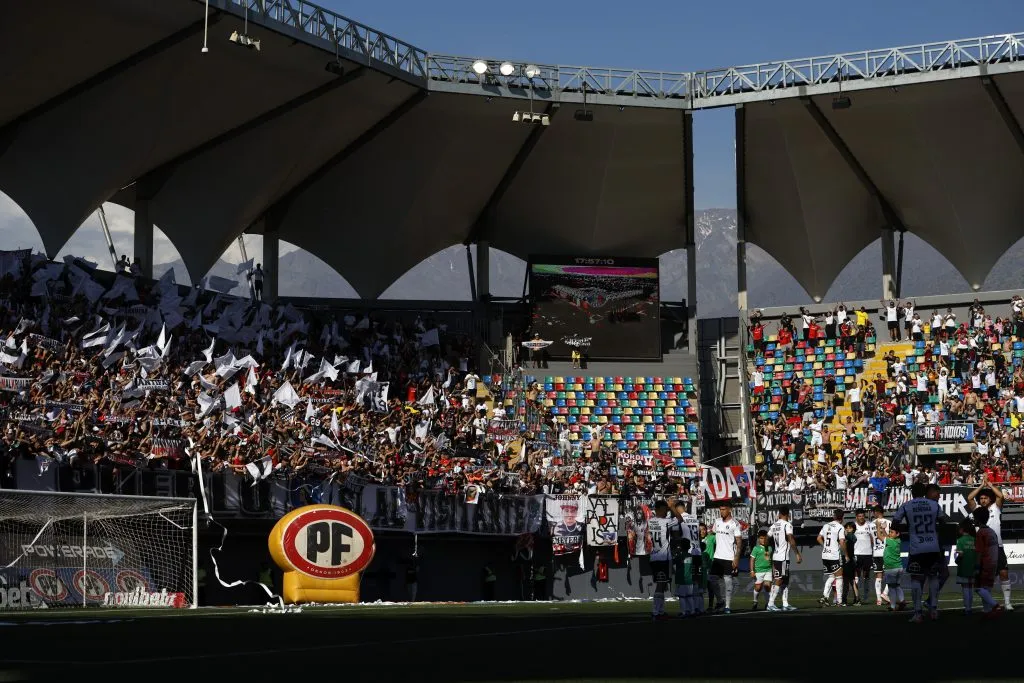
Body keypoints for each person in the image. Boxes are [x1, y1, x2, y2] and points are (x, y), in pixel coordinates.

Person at [892, 481, 950, 623]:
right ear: (924, 492)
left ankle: (918, 613)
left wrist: (910, 529)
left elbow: (894, 523)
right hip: (933, 546)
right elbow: (944, 522)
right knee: (934, 577)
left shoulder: (906, 505)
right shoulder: (934, 505)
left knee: (916, 579)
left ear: (912, 493)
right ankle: (934, 610)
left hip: (917, 547)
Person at [966, 476, 1013, 611]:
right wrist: (981, 485)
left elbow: (1000, 496)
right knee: (984, 577)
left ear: (990, 499)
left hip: (997, 546)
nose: (983, 500)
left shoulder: (995, 507)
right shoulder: (977, 510)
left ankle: (1008, 603)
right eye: (981, 498)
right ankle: (986, 606)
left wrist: (990, 484)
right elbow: (969, 498)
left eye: (985, 498)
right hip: (983, 548)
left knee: (1004, 573)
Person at [647, 498, 684, 620]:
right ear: (658, 509)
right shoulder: (666, 522)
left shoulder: (650, 521)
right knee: (661, 585)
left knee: (661, 585)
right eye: (664, 509)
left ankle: (660, 611)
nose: (665, 511)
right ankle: (656, 612)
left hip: (653, 557)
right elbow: (680, 519)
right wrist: (673, 506)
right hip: (664, 558)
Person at [767, 507, 801, 612]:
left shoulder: (773, 526)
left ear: (779, 514)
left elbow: (768, 537)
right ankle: (770, 603)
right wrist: (797, 554)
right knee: (779, 579)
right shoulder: (787, 525)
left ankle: (785, 603)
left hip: (777, 555)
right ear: (788, 515)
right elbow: (790, 538)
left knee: (785, 579)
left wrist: (768, 550)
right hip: (782, 557)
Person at [710, 504, 742, 614]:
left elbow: (739, 542)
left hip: (729, 557)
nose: (721, 511)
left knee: (728, 581)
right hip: (717, 556)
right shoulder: (717, 521)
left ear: (730, 510)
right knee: (712, 579)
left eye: (723, 509)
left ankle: (727, 606)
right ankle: (720, 600)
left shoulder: (735, 524)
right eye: (720, 509)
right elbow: (712, 533)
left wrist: (736, 558)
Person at [973, 506, 1002, 619]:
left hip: (985, 563)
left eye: (974, 518)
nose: (974, 520)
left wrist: (976, 566)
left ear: (978, 519)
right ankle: (987, 611)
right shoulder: (991, 532)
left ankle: (995, 606)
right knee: (987, 588)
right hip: (993, 563)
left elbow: (979, 552)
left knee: (978, 588)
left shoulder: (981, 533)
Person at [817, 508, 847, 607]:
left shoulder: (826, 525)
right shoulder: (840, 527)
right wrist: (846, 554)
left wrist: (825, 546)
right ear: (842, 517)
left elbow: (818, 538)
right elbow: (842, 542)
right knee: (839, 577)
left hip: (825, 554)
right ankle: (839, 601)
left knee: (831, 576)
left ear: (834, 516)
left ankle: (824, 597)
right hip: (834, 555)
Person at [852, 509, 875, 606]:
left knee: (866, 575)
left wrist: (874, 549)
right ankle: (857, 597)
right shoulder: (852, 526)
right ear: (856, 517)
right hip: (856, 554)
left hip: (868, 553)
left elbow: (872, 538)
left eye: (863, 516)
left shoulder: (869, 524)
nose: (862, 518)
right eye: (860, 516)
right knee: (856, 575)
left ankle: (866, 595)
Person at [954, 519, 977, 615]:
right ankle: (970, 607)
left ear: (962, 529)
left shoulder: (960, 540)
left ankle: (967, 609)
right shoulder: (974, 539)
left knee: (965, 588)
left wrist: (957, 560)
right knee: (970, 587)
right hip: (973, 568)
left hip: (964, 568)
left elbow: (961, 554)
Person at [871, 505, 892, 606]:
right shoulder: (888, 522)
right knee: (891, 574)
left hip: (876, 552)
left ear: (876, 512)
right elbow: (890, 537)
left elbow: (871, 539)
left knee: (878, 576)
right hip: (886, 551)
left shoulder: (871, 524)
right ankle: (885, 593)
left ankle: (879, 599)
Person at [882, 526, 906, 611]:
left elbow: (880, 536)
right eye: (890, 532)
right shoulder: (898, 541)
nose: (890, 534)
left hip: (891, 568)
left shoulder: (890, 541)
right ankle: (902, 601)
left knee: (891, 587)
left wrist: (880, 527)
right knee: (897, 586)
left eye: (892, 532)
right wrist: (885, 530)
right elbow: (887, 537)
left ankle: (892, 606)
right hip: (899, 567)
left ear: (897, 534)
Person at [674, 538, 698, 618]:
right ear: (688, 547)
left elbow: (674, 562)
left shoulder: (679, 556)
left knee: (682, 597)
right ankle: (692, 611)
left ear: (680, 546)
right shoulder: (691, 556)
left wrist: (676, 553)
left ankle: (683, 612)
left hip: (681, 579)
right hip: (689, 579)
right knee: (689, 596)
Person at [749, 529, 772, 610]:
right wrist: (752, 571)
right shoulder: (756, 548)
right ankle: (755, 601)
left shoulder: (770, 548)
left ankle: (767, 604)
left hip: (768, 570)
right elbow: (752, 560)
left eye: (765, 538)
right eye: (761, 538)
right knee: (758, 587)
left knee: (767, 586)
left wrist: (773, 570)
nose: (763, 540)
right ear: (759, 539)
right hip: (758, 571)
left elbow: (771, 560)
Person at [842, 521, 860, 605]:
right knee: (848, 580)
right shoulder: (846, 537)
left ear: (853, 529)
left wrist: (844, 534)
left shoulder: (852, 536)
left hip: (849, 560)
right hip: (847, 560)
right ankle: (853, 599)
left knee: (850, 580)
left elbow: (852, 538)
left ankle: (850, 599)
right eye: (846, 527)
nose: (848, 529)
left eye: (850, 528)